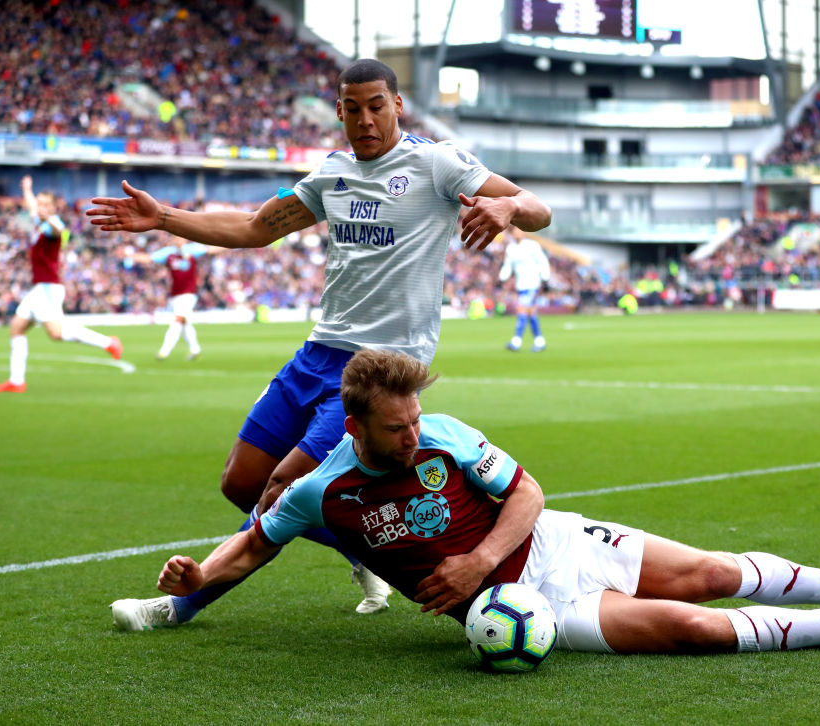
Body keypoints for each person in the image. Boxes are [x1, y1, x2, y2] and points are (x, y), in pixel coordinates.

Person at [89, 58, 551, 627]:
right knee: (242, 482)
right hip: (318, 352)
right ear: (338, 112)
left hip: (380, 368)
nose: (365, 119)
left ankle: (177, 604)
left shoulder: (437, 163)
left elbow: (538, 207)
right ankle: (367, 550)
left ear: (397, 105)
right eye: (352, 108)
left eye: (377, 105)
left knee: (283, 486)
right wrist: (163, 216)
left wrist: (506, 206)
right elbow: (256, 228)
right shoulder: (332, 175)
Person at [136, 348, 820, 656]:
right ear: (356, 428)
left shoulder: (447, 435)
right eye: (397, 428)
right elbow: (251, 545)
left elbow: (526, 491)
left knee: (708, 573)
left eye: (418, 418)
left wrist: (477, 560)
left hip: (553, 545)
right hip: (529, 609)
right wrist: (192, 578)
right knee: (687, 627)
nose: (416, 435)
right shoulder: (325, 491)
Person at [0, 176, 122, 394]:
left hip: (48, 288)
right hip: (38, 288)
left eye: (46, 204)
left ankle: (108, 342)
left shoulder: (52, 226)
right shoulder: (40, 223)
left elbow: (58, 229)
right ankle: (17, 382)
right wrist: (28, 189)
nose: (40, 207)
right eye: (40, 203)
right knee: (17, 329)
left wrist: (48, 215)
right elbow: (31, 205)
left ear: (53, 207)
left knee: (56, 334)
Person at [127, 235, 217, 361]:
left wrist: (233, 243)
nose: (179, 240)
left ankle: (164, 351)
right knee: (185, 323)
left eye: (181, 238)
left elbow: (211, 250)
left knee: (178, 320)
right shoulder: (168, 253)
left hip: (189, 293)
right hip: (175, 294)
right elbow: (149, 258)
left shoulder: (193, 250)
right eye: (177, 238)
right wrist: (129, 256)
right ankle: (195, 350)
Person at [498, 225, 551, 352]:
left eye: (519, 230)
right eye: (514, 231)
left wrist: (545, 277)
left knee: (522, 311)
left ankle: (516, 341)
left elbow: (542, 261)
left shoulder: (532, 245)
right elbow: (508, 265)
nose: (517, 233)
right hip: (521, 285)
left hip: (532, 284)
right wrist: (502, 277)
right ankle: (540, 341)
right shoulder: (511, 248)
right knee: (531, 314)